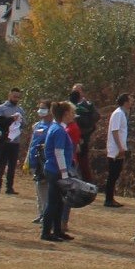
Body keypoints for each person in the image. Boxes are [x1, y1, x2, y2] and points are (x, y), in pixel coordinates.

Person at [39, 101, 76, 243]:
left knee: (59, 202)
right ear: (65, 114)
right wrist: (64, 173)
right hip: (55, 170)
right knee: (53, 202)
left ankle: (57, 230)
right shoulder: (59, 130)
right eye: (72, 113)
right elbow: (58, 153)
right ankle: (46, 232)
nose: (73, 116)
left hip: (55, 169)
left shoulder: (57, 128)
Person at [0, 88, 25, 194]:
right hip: (3, 141)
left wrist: (20, 120)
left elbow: (24, 123)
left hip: (15, 142)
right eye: (14, 96)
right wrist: (10, 119)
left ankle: (9, 187)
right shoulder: (1, 109)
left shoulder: (20, 110)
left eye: (18, 97)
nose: (16, 99)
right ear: (9, 95)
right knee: (1, 164)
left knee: (12, 165)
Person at [102, 93, 132, 207]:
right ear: (125, 102)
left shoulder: (122, 113)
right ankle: (108, 199)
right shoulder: (118, 114)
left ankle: (110, 198)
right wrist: (120, 148)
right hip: (115, 149)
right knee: (113, 174)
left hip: (118, 148)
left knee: (115, 174)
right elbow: (115, 131)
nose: (132, 102)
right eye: (130, 100)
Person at [26, 101, 53, 223]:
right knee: (38, 190)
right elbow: (32, 143)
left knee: (45, 190)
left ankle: (46, 215)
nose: (40, 110)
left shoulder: (53, 126)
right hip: (35, 162)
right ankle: (41, 213)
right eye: (40, 108)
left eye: (43, 108)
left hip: (45, 162)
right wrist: (28, 160)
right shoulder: (38, 125)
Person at [69, 84, 97, 182]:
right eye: (74, 90)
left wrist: (83, 136)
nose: (76, 92)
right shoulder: (68, 104)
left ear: (83, 92)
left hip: (83, 139)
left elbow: (93, 122)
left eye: (78, 90)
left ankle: (87, 184)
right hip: (69, 138)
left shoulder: (88, 106)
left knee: (83, 163)